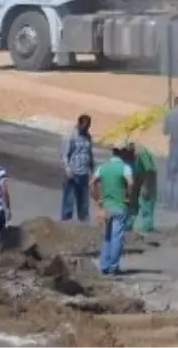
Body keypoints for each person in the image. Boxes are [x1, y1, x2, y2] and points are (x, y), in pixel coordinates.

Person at [92, 144, 133, 276]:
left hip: (106, 207)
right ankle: (113, 266)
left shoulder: (103, 167)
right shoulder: (125, 167)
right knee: (117, 237)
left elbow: (92, 182)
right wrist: (128, 196)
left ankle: (104, 266)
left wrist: (97, 198)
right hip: (120, 206)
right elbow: (130, 183)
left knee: (107, 237)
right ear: (123, 154)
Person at [61, 114, 94, 222]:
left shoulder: (88, 137)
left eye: (88, 126)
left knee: (83, 201)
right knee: (69, 201)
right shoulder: (71, 136)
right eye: (84, 126)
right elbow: (65, 155)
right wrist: (68, 170)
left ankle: (83, 222)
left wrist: (92, 170)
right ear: (79, 124)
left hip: (84, 173)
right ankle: (66, 221)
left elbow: (89, 154)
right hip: (72, 173)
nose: (86, 129)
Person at [125, 141, 158, 233]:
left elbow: (149, 170)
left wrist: (146, 186)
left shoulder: (141, 152)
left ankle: (147, 227)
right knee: (131, 202)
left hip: (147, 178)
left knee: (146, 201)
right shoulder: (127, 152)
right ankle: (128, 225)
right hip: (136, 176)